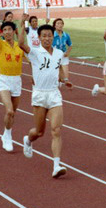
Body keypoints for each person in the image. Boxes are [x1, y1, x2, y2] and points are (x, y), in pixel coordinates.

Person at [18, 15, 72, 178]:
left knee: (56, 130)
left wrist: (65, 79)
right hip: (40, 95)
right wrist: (22, 24)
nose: (47, 38)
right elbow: (21, 44)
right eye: (44, 36)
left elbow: (59, 69)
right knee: (39, 132)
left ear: (53, 37)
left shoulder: (59, 53)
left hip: (54, 94)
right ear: (39, 38)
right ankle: (28, 140)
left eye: (49, 35)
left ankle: (56, 165)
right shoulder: (35, 52)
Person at [0, 11, 24, 151]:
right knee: (9, 111)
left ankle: (5, 133)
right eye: (4, 30)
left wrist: (22, 23)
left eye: (9, 29)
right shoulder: (0, 45)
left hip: (17, 80)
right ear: (2, 32)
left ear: (13, 31)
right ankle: (8, 137)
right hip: (4, 80)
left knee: (13, 113)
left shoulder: (19, 46)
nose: (7, 32)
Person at [51, 18, 72, 85]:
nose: (60, 25)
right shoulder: (52, 35)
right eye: (58, 23)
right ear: (55, 25)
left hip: (63, 54)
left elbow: (70, 45)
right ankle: (59, 80)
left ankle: (66, 81)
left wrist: (67, 52)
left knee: (65, 67)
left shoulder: (66, 35)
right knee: (57, 69)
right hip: (54, 55)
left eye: (61, 23)